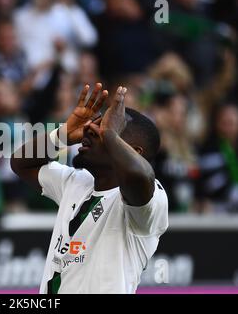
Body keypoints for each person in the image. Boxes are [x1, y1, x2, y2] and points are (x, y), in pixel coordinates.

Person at [11, 83, 168, 293]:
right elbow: (20, 163)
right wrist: (61, 136)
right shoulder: (76, 182)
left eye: (105, 127)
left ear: (134, 151)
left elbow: (140, 177)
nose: (90, 128)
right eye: (96, 123)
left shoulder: (149, 200)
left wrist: (110, 135)